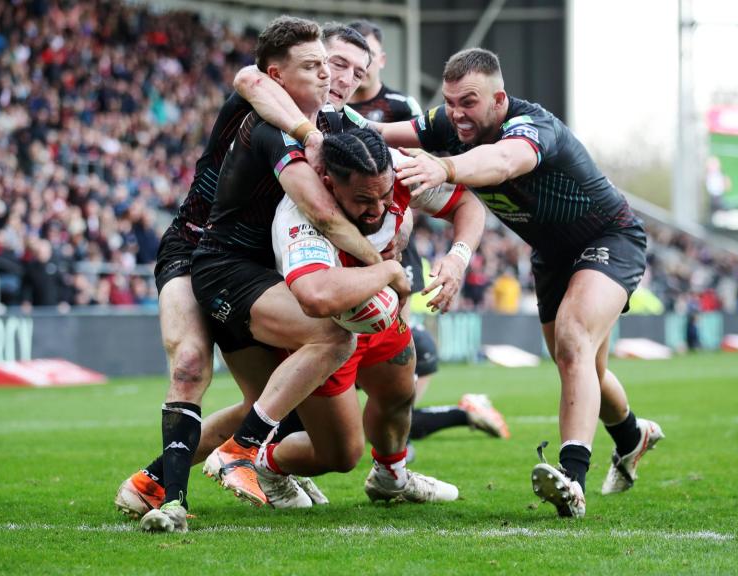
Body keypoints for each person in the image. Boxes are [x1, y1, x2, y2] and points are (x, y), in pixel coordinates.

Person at [119, 17, 385, 533]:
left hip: (250, 267)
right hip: (194, 246)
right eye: (328, 65)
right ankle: (175, 499)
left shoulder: (340, 126)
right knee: (192, 363)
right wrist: (385, 270)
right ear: (285, 71)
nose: (338, 77)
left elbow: (392, 158)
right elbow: (249, 78)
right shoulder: (261, 107)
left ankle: (151, 481)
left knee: (270, 404)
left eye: (355, 70)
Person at [376, 48, 664, 518]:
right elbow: (380, 132)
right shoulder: (451, 124)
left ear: (498, 98)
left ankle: (572, 478)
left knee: (574, 340)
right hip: (552, 255)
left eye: (468, 102)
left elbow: (505, 161)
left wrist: (444, 167)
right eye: (450, 102)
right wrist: (316, 121)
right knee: (583, 364)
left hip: (609, 237)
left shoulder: (533, 127)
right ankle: (633, 437)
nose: (456, 113)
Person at [252, 129, 483, 506]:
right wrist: (389, 274)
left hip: (380, 310)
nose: (377, 209)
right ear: (328, 184)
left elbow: (468, 204)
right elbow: (317, 297)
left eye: (386, 196)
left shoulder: (400, 169)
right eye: (362, 199)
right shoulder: (301, 209)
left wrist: (457, 256)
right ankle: (264, 464)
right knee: (341, 456)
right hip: (327, 332)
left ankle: (391, 475)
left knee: (399, 393)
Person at [347, 20, 510, 454]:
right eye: (340, 63)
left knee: (403, 372)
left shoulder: (400, 106)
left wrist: (448, 251)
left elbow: (427, 171)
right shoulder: (311, 115)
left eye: (364, 57)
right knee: (350, 395)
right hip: (327, 268)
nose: (352, 72)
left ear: (378, 59)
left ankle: (393, 453)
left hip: (392, 258)